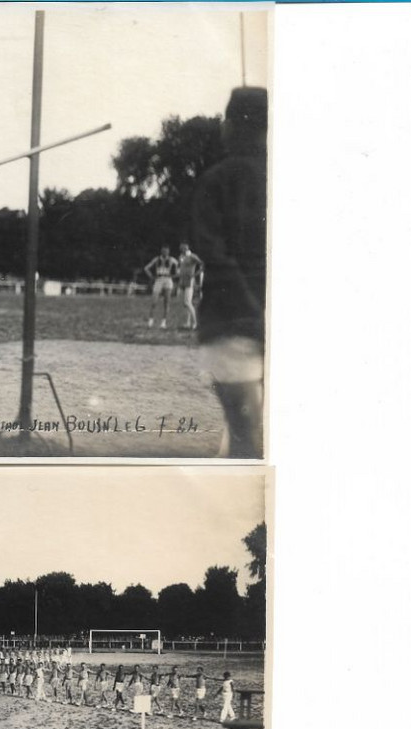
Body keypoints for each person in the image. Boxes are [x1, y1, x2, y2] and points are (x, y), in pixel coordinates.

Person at [190, 86, 267, 459]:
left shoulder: (217, 180)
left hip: (235, 324)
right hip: (256, 322)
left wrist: (253, 311)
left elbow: (211, 252)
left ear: (232, 126)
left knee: (246, 438)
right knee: (253, 434)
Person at [144, 245, 177, 329]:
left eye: (166, 251)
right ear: (161, 251)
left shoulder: (172, 260)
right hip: (159, 279)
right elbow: (146, 268)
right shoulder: (157, 259)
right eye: (163, 251)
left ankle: (163, 322)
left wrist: (174, 275)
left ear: (168, 252)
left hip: (168, 279)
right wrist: (151, 276)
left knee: (166, 302)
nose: (165, 253)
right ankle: (150, 320)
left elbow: (179, 268)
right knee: (154, 301)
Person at [176, 244, 204, 330]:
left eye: (184, 248)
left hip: (189, 281)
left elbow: (202, 264)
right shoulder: (181, 257)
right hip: (182, 281)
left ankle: (195, 323)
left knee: (188, 302)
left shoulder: (192, 256)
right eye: (181, 248)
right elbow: (179, 266)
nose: (182, 249)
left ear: (187, 248)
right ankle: (187, 323)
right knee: (184, 303)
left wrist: (195, 274)